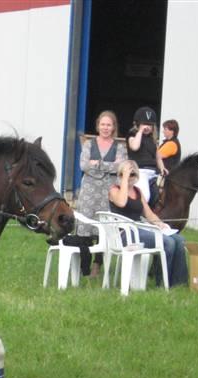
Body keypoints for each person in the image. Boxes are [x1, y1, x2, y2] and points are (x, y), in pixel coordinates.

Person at [108, 160, 188, 287]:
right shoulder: (114, 190)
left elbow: (149, 214)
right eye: (125, 175)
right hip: (124, 234)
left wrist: (161, 224)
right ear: (119, 175)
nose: (129, 178)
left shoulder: (138, 192)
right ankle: (162, 282)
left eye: (133, 175)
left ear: (137, 177)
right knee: (168, 243)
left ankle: (179, 283)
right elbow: (122, 202)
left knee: (179, 239)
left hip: (139, 230)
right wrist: (124, 180)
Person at [74, 110, 127, 277]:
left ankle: (97, 265)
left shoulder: (120, 147)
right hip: (89, 191)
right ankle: (84, 266)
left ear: (113, 127)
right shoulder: (89, 144)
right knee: (85, 227)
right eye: (103, 124)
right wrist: (107, 166)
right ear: (98, 126)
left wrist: (96, 164)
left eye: (109, 125)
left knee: (104, 229)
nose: (105, 127)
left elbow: (120, 166)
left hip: (108, 191)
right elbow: (83, 166)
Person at [127, 106, 167, 206]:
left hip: (153, 172)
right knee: (145, 195)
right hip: (140, 171)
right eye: (144, 124)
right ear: (137, 124)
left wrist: (162, 168)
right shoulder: (132, 135)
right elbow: (135, 147)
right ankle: (140, 214)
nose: (147, 127)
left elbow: (158, 156)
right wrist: (140, 132)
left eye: (150, 125)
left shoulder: (152, 139)